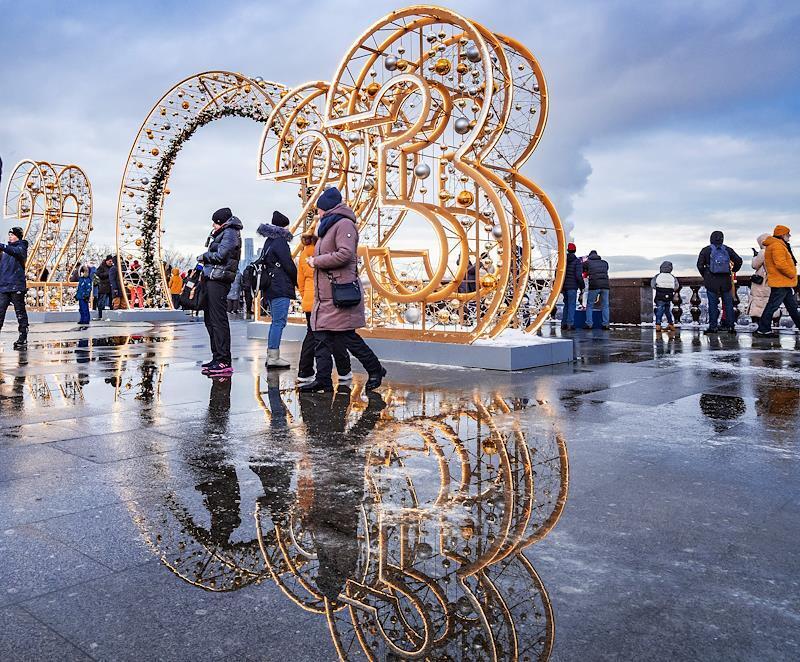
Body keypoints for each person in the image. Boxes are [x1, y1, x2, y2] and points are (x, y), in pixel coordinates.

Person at [301, 187, 385, 393]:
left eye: (319, 209)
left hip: (340, 295)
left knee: (347, 338)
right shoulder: (328, 226)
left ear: (328, 208)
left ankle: (375, 370)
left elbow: (346, 254)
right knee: (320, 337)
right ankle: (323, 380)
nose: (318, 213)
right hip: (326, 296)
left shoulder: (344, 224)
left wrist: (316, 261)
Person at [296, 233, 351, 385]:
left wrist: (306, 296)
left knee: (311, 335)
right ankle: (344, 370)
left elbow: (300, 281)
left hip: (309, 301)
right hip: (327, 299)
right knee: (337, 334)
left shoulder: (303, 254)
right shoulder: (325, 251)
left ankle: (304, 371)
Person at [198, 207, 243, 375]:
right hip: (213, 277)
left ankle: (224, 360)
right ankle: (217, 356)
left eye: (215, 222)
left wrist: (204, 256)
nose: (213, 225)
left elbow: (222, 255)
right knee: (210, 319)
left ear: (222, 222)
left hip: (219, 280)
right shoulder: (223, 232)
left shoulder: (230, 232)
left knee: (218, 319)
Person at [254, 211, 297, 369]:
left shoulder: (268, 242)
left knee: (276, 322)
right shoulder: (280, 242)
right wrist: (296, 281)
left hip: (270, 287)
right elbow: (288, 265)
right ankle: (273, 356)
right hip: (280, 286)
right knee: (279, 322)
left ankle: (272, 355)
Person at [754, 225, 800, 338]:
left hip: (782, 281)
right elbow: (780, 264)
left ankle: (763, 329)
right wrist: (791, 273)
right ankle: (763, 329)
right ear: (782, 235)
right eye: (788, 235)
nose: (789, 237)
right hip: (781, 281)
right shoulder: (777, 246)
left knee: (791, 306)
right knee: (772, 306)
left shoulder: (776, 245)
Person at [697, 230, 743, 335]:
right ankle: (730, 326)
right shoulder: (727, 249)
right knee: (728, 304)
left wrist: (706, 274)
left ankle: (713, 327)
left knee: (712, 305)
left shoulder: (706, 250)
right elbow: (739, 260)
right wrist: (733, 270)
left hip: (711, 281)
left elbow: (699, 265)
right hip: (726, 280)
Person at [0, 226, 29, 349]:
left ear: (18, 236)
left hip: (16, 286)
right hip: (4, 286)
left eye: (12, 234)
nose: (10, 237)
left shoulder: (21, 247)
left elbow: (17, 252)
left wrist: (3, 246)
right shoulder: (5, 252)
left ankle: (23, 337)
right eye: (9, 234)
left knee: (20, 313)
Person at [582, 250, 610, 330]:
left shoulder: (587, 262)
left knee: (590, 305)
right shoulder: (605, 262)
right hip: (605, 286)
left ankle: (589, 324)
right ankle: (606, 324)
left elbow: (583, 271)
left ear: (589, 256)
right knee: (605, 306)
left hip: (594, 285)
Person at [747, 234, 771, 326]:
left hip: (761, 281)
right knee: (767, 301)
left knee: (758, 301)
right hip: (770, 281)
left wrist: (755, 257)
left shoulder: (763, 252)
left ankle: (759, 324)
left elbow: (755, 265)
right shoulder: (773, 250)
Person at [651, 261, 680, 332]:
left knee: (659, 310)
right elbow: (676, 286)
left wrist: (659, 288)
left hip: (660, 295)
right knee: (667, 310)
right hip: (669, 295)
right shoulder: (672, 276)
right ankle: (671, 324)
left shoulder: (658, 276)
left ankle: (658, 325)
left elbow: (653, 284)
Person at [561, 242, 584, 330]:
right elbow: (578, 275)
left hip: (564, 287)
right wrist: (582, 286)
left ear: (567, 250)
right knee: (571, 305)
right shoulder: (577, 261)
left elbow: (557, 273)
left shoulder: (562, 260)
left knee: (566, 305)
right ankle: (570, 324)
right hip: (572, 287)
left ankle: (563, 324)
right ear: (575, 250)